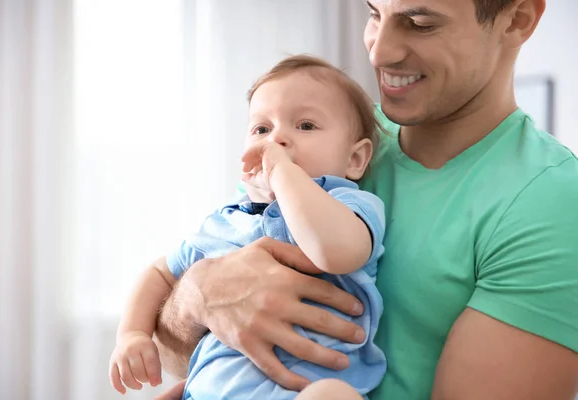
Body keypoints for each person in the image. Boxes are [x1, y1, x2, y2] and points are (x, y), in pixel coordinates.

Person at [153, 0, 578, 399]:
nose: (379, 52)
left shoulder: (550, 203)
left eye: (420, 23)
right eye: (375, 13)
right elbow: (173, 355)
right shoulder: (323, 131)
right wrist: (198, 293)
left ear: (518, 18)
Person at [109, 55, 389, 399]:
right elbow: (158, 272)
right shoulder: (225, 221)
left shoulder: (347, 204)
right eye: (262, 129)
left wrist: (284, 174)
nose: (277, 140)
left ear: (355, 159)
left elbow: (335, 252)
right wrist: (132, 334)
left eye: (305, 126)